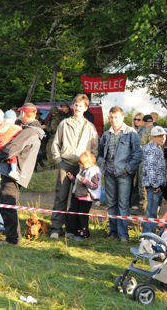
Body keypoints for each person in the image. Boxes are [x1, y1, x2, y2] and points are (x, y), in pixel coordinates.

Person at [0, 102, 45, 245]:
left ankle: (13, 239)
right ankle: (12, 236)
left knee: (7, 205)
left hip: (14, 173)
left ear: (23, 114)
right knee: (6, 204)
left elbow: (13, 147)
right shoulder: (32, 129)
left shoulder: (30, 131)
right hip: (16, 171)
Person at [50, 94, 99, 239]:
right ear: (73, 106)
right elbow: (55, 144)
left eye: (81, 106)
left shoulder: (90, 127)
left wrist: (90, 165)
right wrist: (59, 160)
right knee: (61, 196)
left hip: (83, 167)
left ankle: (76, 229)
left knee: (80, 199)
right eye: (76, 105)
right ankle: (56, 228)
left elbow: (94, 147)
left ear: (85, 108)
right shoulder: (64, 123)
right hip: (66, 163)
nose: (78, 108)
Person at [97, 106, 142, 241]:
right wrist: (102, 165)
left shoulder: (131, 133)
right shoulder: (106, 134)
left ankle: (123, 235)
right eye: (111, 117)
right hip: (109, 173)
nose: (113, 120)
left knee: (123, 204)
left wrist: (128, 169)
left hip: (124, 174)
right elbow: (100, 154)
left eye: (116, 117)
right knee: (111, 204)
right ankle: (113, 232)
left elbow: (138, 154)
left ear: (122, 118)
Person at [65, 151, 101, 241]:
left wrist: (85, 181)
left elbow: (94, 185)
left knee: (82, 217)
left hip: (86, 198)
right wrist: (72, 178)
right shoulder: (82, 169)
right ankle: (73, 231)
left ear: (89, 162)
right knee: (73, 214)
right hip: (77, 195)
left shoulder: (94, 172)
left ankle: (84, 235)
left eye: (82, 163)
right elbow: (78, 182)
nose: (80, 164)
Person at [141, 126, 167, 234]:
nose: (162, 139)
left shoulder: (157, 148)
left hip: (155, 185)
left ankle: (149, 234)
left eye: (163, 136)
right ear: (152, 137)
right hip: (153, 186)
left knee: (153, 211)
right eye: (158, 137)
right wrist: (155, 185)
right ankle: (148, 235)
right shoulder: (152, 150)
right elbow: (151, 168)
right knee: (152, 211)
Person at [0, 109, 21, 181]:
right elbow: (19, 131)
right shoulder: (13, 127)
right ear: (14, 119)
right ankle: (13, 171)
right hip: (5, 146)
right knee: (13, 155)